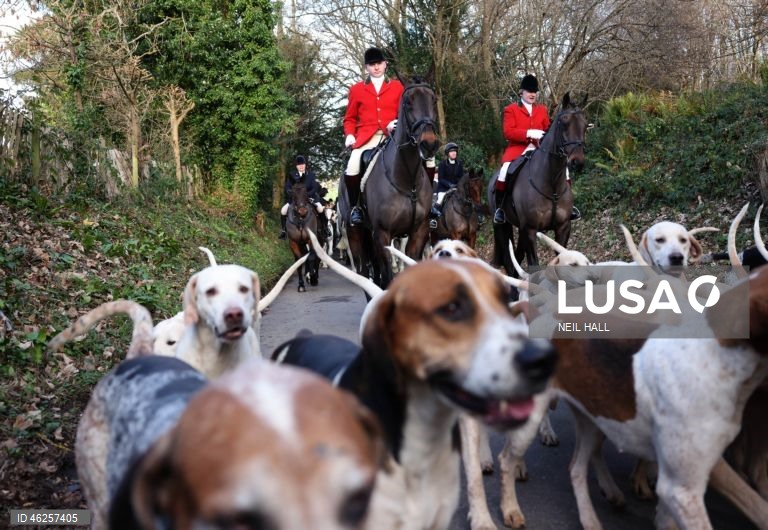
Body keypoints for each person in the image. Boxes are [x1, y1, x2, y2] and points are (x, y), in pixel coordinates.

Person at [342, 47, 436, 226]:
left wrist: (396, 122)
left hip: (395, 135)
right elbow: (350, 118)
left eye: (379, 64)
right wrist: (349, 136)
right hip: (366, 138)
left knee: (430, 160)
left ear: (385, 65)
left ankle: (429, 205)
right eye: (372, 65)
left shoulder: (398, 87)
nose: (376, 67)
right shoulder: (356, 90)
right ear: (366, 68)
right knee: (352, 166)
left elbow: (408, 110)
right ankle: (356, 208)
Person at [493, 74, 580, 224]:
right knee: (504, 170)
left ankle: (569, 206)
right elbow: (508, 132)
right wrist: (528, 133)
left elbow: (547, 128)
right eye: (529, 91)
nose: (532, 94)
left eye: (534, 91)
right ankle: (500, 209)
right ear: (521, 92)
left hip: (540, 149)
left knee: (563, 168)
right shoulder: (511, 109)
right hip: (518, 149)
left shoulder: (542, 110)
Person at [279, 155, 325, 239]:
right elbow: (287, 187)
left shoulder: (310, 175)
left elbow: (314, 187)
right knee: (283, 211)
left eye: (302, 164)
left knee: (320, 209)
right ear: (296, 166)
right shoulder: (292, 175)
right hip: (295, 199)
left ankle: (325, 229)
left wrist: (307, 195)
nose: (301, 166)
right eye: (299, 165)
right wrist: (290, 193)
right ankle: (283, 231)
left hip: (310, 197)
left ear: (305, 165)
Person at [428, 142, 464, 229]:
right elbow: (441, 178)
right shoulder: (442, 164)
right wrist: (449, 184)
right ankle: (433, 220)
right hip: (444, 188)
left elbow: (461, 177)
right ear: (448, 153)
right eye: (452, 151)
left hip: (456, 187)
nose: (454, 153)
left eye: (455, 151)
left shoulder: (459, 164)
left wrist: (457, 184)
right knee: (440, 199)